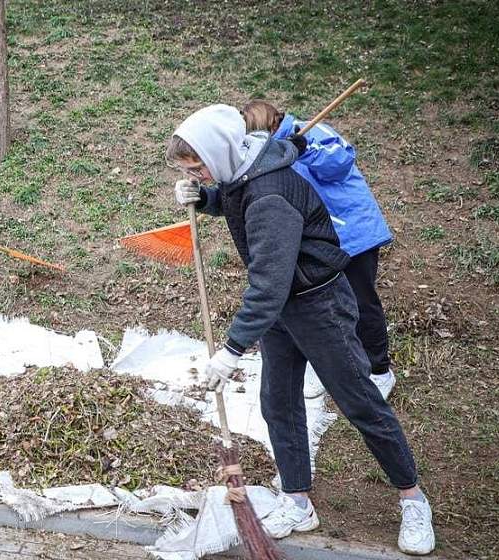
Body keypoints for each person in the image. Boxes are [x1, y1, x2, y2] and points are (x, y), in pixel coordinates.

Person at [167, 104, 435, 555]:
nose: (197, 175)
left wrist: (232, 349)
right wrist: (206, 198)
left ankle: (413, 498)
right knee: (279, 402)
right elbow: (234, 196)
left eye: (198, 168)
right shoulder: (244, 165)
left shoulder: (270, 195)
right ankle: (297, 501)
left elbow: (268, 285)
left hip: (318, 304)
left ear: (221, 151)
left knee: (360, 401)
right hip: (283, 309)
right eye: (189, 172)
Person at [242, 100, 396, 400]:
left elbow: (341, 161)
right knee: (326, 307)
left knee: (361, 303)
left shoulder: (312, 131)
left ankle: (379, 370)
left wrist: (306, 148)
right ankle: (333, 368)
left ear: (271, 125)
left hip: (352, 233)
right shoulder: (267, 150)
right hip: (319, 239)